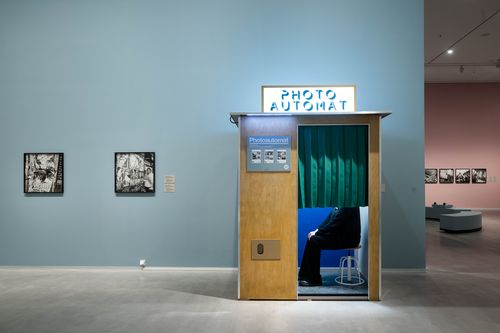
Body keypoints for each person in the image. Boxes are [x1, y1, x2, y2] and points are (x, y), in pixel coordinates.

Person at [298, 206, 361, 287]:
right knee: (311, 238)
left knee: (314, 241)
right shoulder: (341, 203)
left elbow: (335, 222)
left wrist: (318, 232)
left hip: (349, 240)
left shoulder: (350, 205)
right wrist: (316, 230)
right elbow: (329, 218)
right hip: (340, 235)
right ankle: (304, 274)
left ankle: (314, 280)